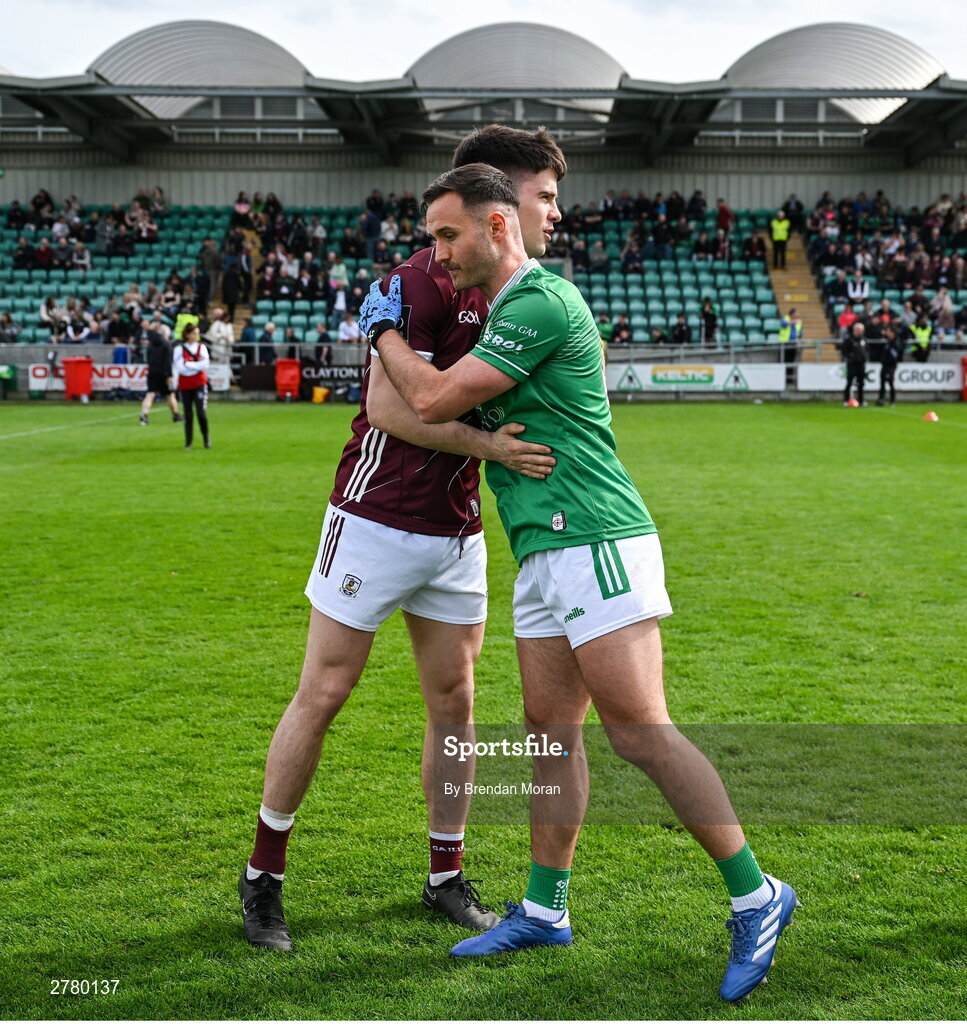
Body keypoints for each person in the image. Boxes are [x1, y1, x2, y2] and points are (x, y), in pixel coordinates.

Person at [362, 163, 798, 1003]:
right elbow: (409, 413)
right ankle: (544, 906)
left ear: (496, 226)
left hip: (596, 537)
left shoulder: (538, 302)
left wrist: (383, 334)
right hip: (543, 549)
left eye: (448, 234)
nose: (436, 252)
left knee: (640, 733)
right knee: (547, 734)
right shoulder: (497, 308)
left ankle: (756, 895)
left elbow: (438, 396)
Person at [238, 126, 566, 954]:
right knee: (325, 691)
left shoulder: (528, 295)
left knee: (454, 702)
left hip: (457, 531)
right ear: (510, 202)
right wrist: (492, 446)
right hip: (374, 518)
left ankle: (444, 875)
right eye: (549, 196)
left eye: (447, 233)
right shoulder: (411, 284)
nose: (555, 213)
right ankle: (263, 876)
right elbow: (390, 410)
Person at [172, 323, 211, 449]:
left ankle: (206, 437)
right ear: (187, 334)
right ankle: (188, 442)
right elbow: (179, 367)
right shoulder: (179, 349)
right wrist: (195, 365)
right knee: (188, 414)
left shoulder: (202, 347)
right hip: (185, 384)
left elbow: (205, 365)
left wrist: (189, 364)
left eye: (197, 333)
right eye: (194, 333)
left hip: (199, 383)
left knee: (201, 413)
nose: (196, 336)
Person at [140, 319, 182, 425]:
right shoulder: (167, 345)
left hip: (152, 371)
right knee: (170, 395)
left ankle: (144, 416)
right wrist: (169, 375)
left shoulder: (151, 345)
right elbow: (168, 362)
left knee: (150, 394)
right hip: (163, 373)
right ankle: (176, 415)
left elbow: (148, 359)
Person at [841, 321, 869, 406]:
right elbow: (844, 349)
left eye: (861, 330)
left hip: (861, 364)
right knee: (849, 382)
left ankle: (861, 400)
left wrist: (865, 357)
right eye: (858, 330)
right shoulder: (849, 339)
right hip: (852, 364)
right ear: (854, 330)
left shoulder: (864, 339)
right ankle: (846, 400)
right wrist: (850, 357)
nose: (860, 332)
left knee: (861, 383)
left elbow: (867, 350)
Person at [876, 325, 903, 406]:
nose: (886, 333)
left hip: (890, 366)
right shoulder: (888, 342)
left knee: (890, 383)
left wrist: (888, 361)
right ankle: (881, 399)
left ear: (893, 333)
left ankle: (892, 401)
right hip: (885, 365)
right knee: (882, 382)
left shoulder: (895, 343)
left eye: (888, 331)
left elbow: (894, 356)